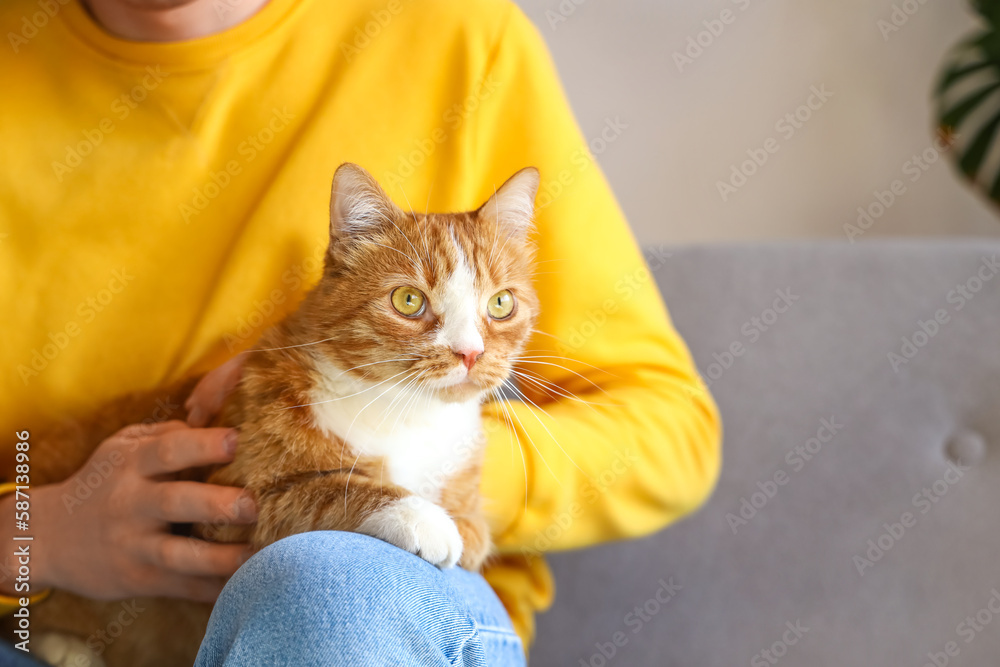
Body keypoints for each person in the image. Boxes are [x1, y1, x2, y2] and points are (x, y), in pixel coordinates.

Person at [0, 0, 722, 664]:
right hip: (35, 627)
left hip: (363, 623)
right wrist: (29, 535)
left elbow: (672, 429)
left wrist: (423, 460)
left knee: (329, 584)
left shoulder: (458, 38)